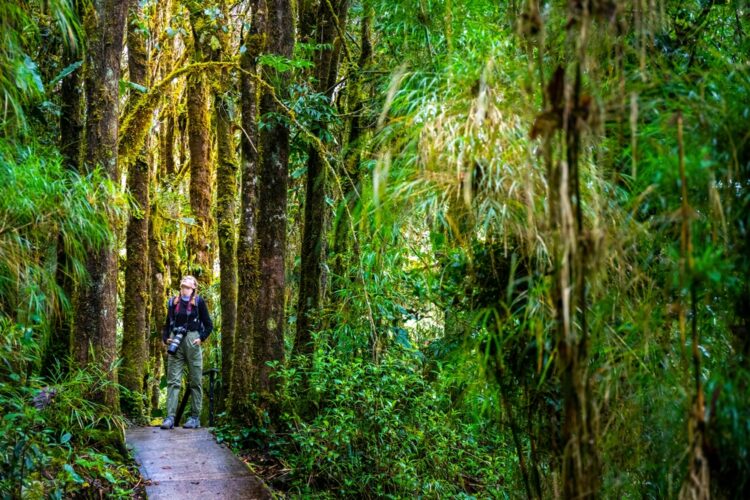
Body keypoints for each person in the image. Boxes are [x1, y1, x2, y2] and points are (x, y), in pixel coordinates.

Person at [160, 275, 213, 429]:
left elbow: (209, 325)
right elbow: (166, 324)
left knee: (195, 380)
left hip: (192, 340)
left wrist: (200, 339)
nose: (185, 289)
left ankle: (195, 418)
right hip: (175, 340)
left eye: (188, 287)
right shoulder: (172, 302)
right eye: (183, 286)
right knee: (173, 381)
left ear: (193, 289)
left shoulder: (198, 302)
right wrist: (166, 339)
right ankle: (170, 418)